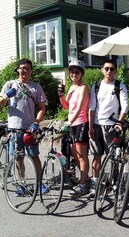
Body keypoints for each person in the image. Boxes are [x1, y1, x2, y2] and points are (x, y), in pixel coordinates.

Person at [0, 58, 47, 196]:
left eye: (27, 68)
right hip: (14, 128)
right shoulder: (10, 84)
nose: (24, 70)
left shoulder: (36, 87)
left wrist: (37, 121)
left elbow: (42, 108)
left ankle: (39, 183)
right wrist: (7, 96)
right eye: (22, 68)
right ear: (18, 69)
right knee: (18, 158)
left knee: (34, 156)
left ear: (31, 71)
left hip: (30, 128)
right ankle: (21, 184)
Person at [88, 59, 129, 197]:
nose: (109, 71)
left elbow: (125, 106)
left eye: (112, 69)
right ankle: (95, 184)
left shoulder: (119, 86)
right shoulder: (96, 86)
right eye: (106, 68)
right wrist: (90, 126)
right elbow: (92, 107)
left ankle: (114, 181)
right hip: (97, 125)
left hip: (112, 126)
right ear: (102, 70)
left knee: (113, 156)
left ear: (116, 71)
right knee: (96, 155)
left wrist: (120, 122)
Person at [58, 59, 90, 198]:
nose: (74, 74)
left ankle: (83, 185)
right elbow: (67, 106)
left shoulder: (83, 87)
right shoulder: (72, 87)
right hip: (72, 123)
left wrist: (69, 121)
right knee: (74, 153)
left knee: (82, 155)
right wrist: (61, 95)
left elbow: (80, 107)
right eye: (71, 72)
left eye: (77, 72)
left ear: (81, 73)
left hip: (81, 123)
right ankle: (85, 178)